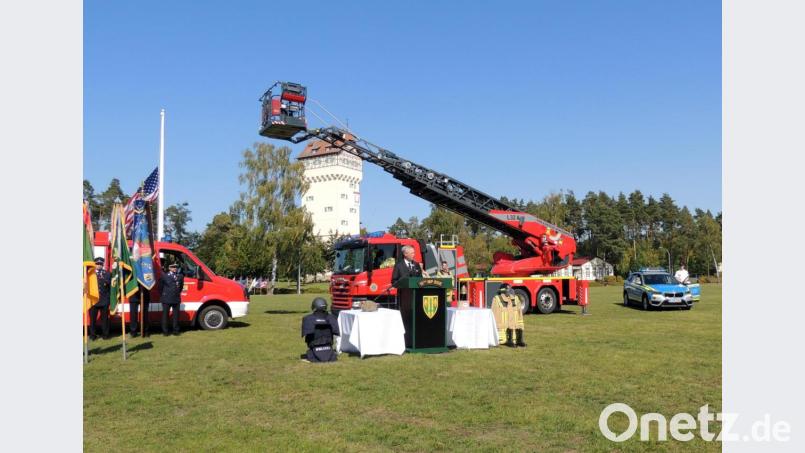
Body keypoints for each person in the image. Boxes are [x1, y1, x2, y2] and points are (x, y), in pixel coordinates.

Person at [301, 297, 340, 363]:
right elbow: (336, 331)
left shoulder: (308, 319)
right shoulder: (332, 318)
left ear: (314, 306)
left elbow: (306, 333)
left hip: (314, 346)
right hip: (328, 346)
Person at [490, 283, 526, 348]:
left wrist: (520, 328)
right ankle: (509, 340)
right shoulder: (497, 299)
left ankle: (518, 340)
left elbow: (520, 316)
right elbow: (494, 318)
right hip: (502, 336)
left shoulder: (516, 299)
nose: (509, 294)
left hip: (515, 336)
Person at [89, 257, 111, 340]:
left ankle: (105, 335)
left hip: (104, 300)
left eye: (100, 264)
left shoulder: (107, 274)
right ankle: (92, 335)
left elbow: (108, 284)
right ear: (95, 264)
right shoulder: (90, 274)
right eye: (97, 264)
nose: (99, 265)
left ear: (103, 264)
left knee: (104, 319)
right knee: (92, 320)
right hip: (93, 300)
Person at [160, 262, 184, 336]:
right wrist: (163, 295)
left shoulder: (180, 276)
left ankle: (176, 331)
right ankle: (165, 331)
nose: (175, 268)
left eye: (176, 267)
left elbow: (181, 287)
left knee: (176, 316)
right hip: (166, 298)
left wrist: (177, 293)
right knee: (165, 316)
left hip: (176, 298)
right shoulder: (164, 276)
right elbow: (160, 288)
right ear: (169, 268)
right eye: (173, 267)